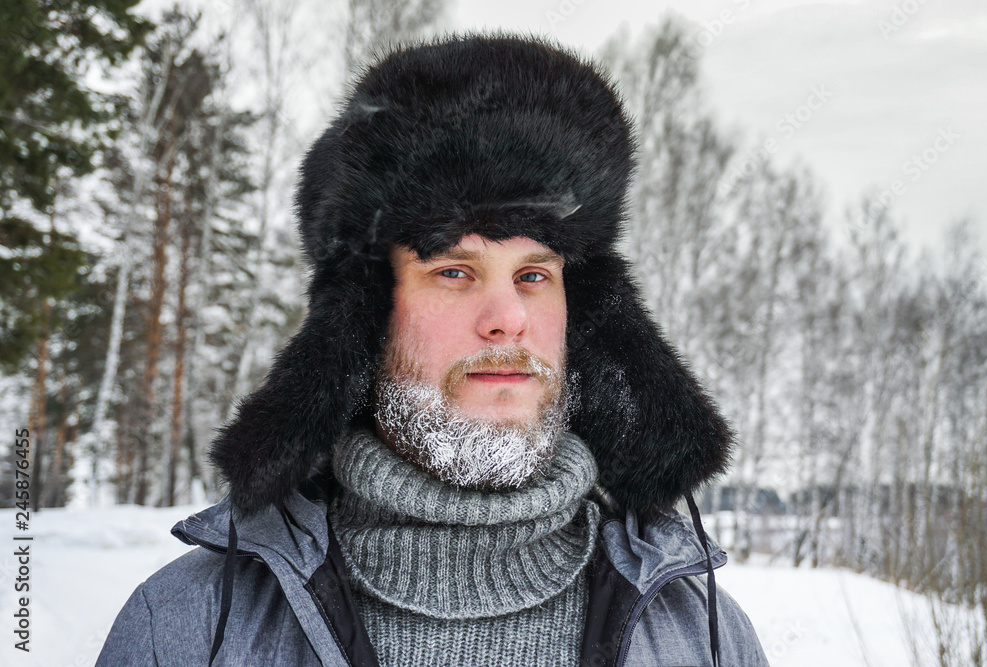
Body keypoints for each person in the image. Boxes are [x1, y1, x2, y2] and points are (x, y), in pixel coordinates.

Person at [98, 31, 769, 666]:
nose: (507, 319)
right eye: (454, 271)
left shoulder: (701, 633)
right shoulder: (190, 626)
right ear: (364, 317)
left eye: (534, 275)